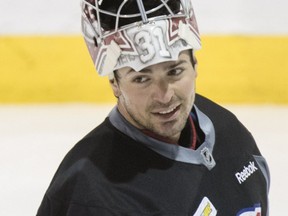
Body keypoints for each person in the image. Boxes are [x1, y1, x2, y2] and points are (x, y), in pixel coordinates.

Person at [37, 0, 270, 215]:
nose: (164, 96)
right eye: (141, 79)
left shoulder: (225, 129)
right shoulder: (93, 194)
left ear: (195, 64)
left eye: (175, 71)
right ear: (114, 84)